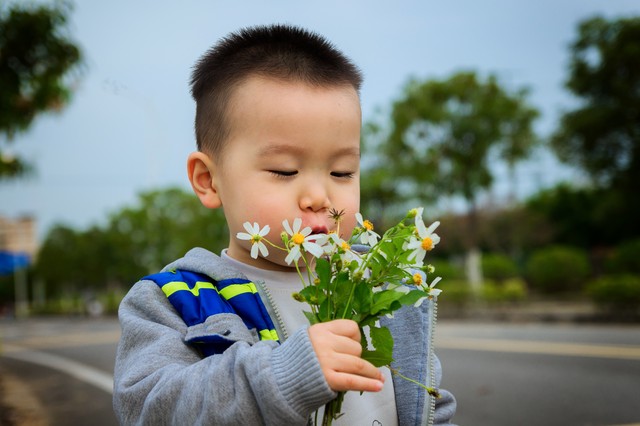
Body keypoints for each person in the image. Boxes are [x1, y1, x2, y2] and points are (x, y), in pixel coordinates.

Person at [113, 24, 457, 425]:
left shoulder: (381, 291)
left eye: (342, 172)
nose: (318, 197)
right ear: (208, 180)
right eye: (284, 170)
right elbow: (148, 409)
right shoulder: (175, 301)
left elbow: (429, 404)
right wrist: (284, 375)